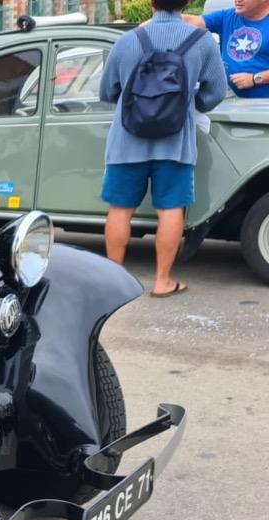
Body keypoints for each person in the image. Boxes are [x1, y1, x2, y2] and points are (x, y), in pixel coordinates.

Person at [99, 0, 225, 297]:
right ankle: (162, 281)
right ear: (186, 3)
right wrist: (189, 103)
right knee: (170, 210)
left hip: (126, 141)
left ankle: (113, 283)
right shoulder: (202, 41)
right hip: (175, 143)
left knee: (120, 209)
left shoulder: (128, 40)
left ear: (151, 2)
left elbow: (107, 91)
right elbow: (216, 91)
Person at [180, 0, 269, 98]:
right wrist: (167, 12)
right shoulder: (227, 16)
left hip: (262, 103)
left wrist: (254, 79)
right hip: (232, 99)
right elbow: (192, 21)